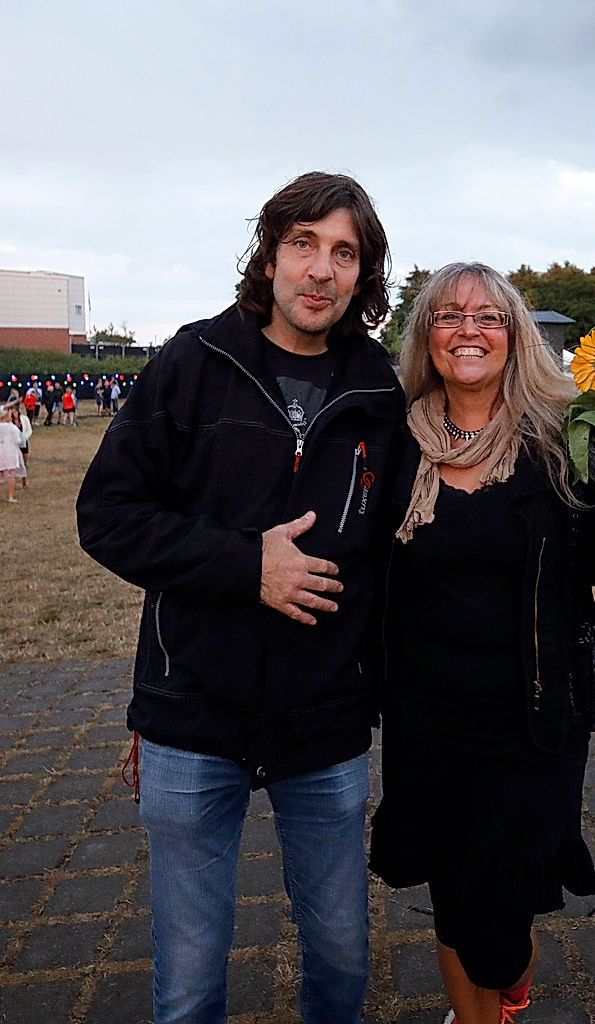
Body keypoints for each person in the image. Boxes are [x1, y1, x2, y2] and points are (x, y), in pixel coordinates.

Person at [77, 171, 406, 1024]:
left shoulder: (381, 392)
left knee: (342, 954)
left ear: (363, 275)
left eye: (344, 253)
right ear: (268, 258)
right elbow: (106, 516)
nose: (321, 269)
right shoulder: (194, 362)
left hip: (326, 721)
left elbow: (425, 535)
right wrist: (244, 565)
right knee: (189, 980)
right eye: (303, 244)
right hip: (192, 713)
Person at [368, 263, 595, 1024]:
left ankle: (509, 990)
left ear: (515, 337)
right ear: (426, 337)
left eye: (488, 317)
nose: (468, 330)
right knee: (450, 891)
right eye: (448, 315)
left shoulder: (565, 441)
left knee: (499, 929)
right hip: (426, 721)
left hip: (533, 722)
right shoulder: (393, 444)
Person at [0, 404, 25, 503]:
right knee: (11, 474)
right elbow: (19, 441)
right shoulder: (12, 428)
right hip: (10, 452)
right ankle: (10, 497)